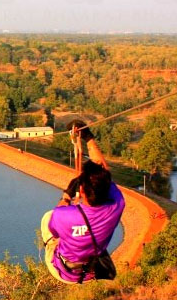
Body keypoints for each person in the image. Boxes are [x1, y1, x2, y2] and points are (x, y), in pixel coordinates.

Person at [41, 121, 125, 284]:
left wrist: (66, 196)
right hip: (92, 269)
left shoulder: (64, 215)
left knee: (47, 218)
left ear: (83, 191)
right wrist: (88, 137)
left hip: (64, 272)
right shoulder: (117, 203)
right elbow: (103, 169)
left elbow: (56, 227)